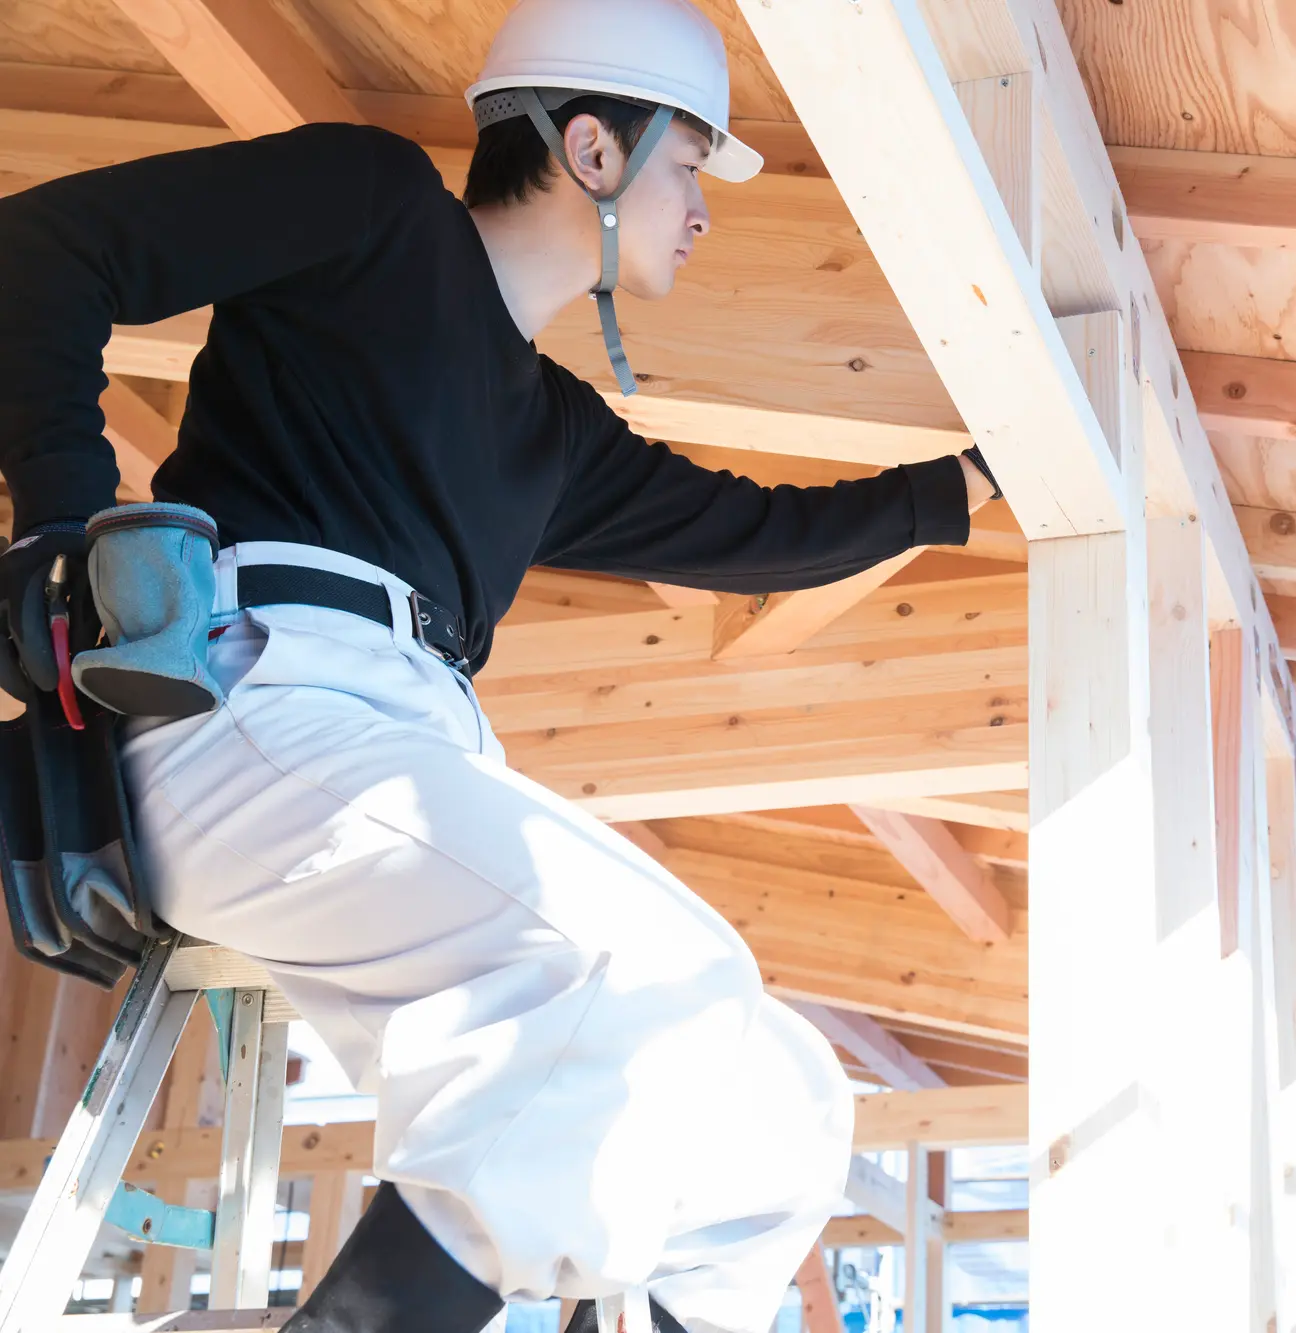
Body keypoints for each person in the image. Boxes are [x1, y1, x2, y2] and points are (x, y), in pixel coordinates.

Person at [0, 0, 1001, 1328]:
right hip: (250, 706)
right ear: (592, 149)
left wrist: (976, 483)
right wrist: (65, 529)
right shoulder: (370, 205)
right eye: (690, 167)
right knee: (654, 974)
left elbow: (763, 533)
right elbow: (41, 254)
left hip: (399, 756)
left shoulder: (553, 434)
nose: (704, 210)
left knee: (783, 1104)